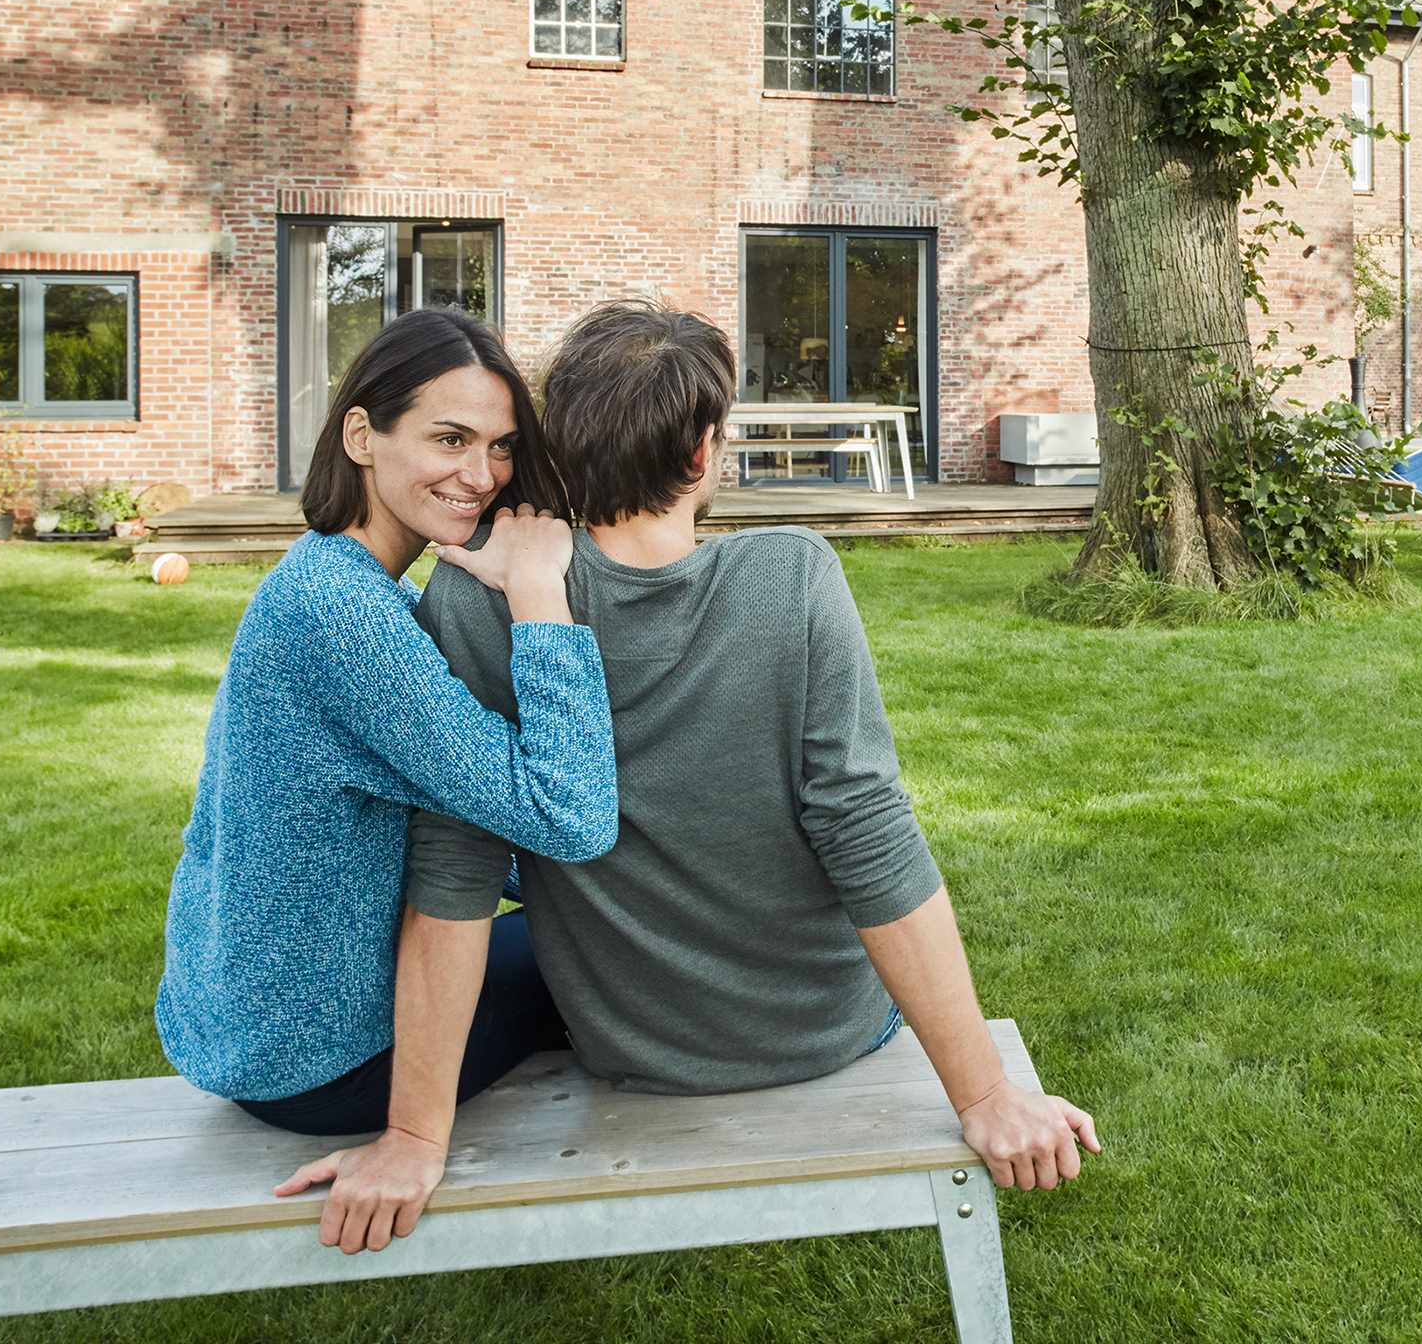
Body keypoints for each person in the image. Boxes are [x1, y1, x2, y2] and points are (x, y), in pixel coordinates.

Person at [328, 300, 1099, 1248]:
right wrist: (983, 1094)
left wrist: (414, 1137)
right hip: (827, 1029)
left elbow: (454, 872)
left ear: (556, 446)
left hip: (636, 1048)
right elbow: (867, 833)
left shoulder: (480, 596)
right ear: (702, 454)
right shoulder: (791, 575)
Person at [154, 309, 622, 1252]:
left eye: (498, 448)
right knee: (637, 947)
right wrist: (539, 594)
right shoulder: (343, 616)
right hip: (324, 1061)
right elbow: (564, 813)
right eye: (449, 439)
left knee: (598, 920)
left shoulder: (333, 577)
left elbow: (471, 819)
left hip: (250, 1022)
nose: (481, 475)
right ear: (363, 435)